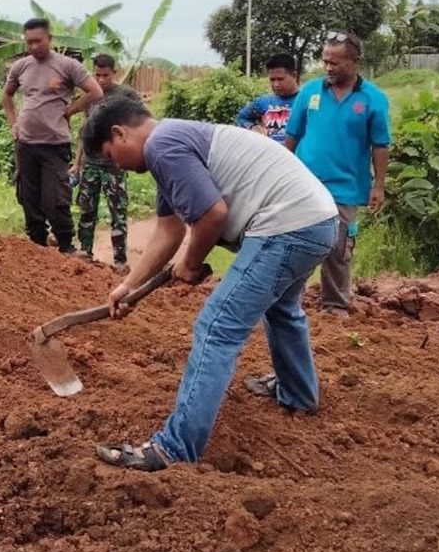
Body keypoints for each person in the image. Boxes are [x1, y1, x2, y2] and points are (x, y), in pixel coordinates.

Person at [82, 97, 338, 471]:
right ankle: (298, 392)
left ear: (120, 133)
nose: (116, 167)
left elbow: (212, 215)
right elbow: (168, 232)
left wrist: (189, 264)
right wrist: (128, 287)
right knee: (282, 309)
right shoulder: (170, 144)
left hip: (288, 227)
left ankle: (173, 449)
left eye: (110, 155)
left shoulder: (162, 145)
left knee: (216, 327)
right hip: (318, 222)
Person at [283, 32, 391, 316]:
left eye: (336, 62)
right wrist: (281, 173)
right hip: (304, 184)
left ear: (355, 62)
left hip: (346, 187)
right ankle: (287, 300)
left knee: (339, 249)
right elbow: (292, 135)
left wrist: (379, 186)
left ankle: (334, 306)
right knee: (295, 241)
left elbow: (381, 145)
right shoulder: (310, 92)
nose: (328, 68)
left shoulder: (373, 99)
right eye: (325, 61)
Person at [1, 18, 104, 252]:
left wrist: (69, 111)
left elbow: (95, 91)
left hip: (54, 144)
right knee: (27, 197)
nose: (33, 46)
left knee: (56, 199)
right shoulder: (21, 66)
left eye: (38, 41)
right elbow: (7, 96)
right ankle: (37, 243)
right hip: (25, 144)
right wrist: (13, 124)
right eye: (29, 42)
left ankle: (66, 244)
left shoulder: (67, 66)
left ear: (50, 39)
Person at [70, 54, 140, 270]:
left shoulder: (125, 94)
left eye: (105, 75)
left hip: (114, 165)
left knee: (118, 213)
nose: (101, 80)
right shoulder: (90, 94)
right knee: (86, 211)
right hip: (91, 163)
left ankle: (120, 261)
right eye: (97, 75)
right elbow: (85, 131)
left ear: (114, 72)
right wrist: (77, 163)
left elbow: (142, 122)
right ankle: (86, 254)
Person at [236, 53, 301, 142]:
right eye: (272, 80)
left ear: (294, 75)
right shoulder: (263, 101)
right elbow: (241, 117)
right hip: (270, 154)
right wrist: (253, 128)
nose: (276, 85)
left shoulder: (307, 101)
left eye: (280, 79)